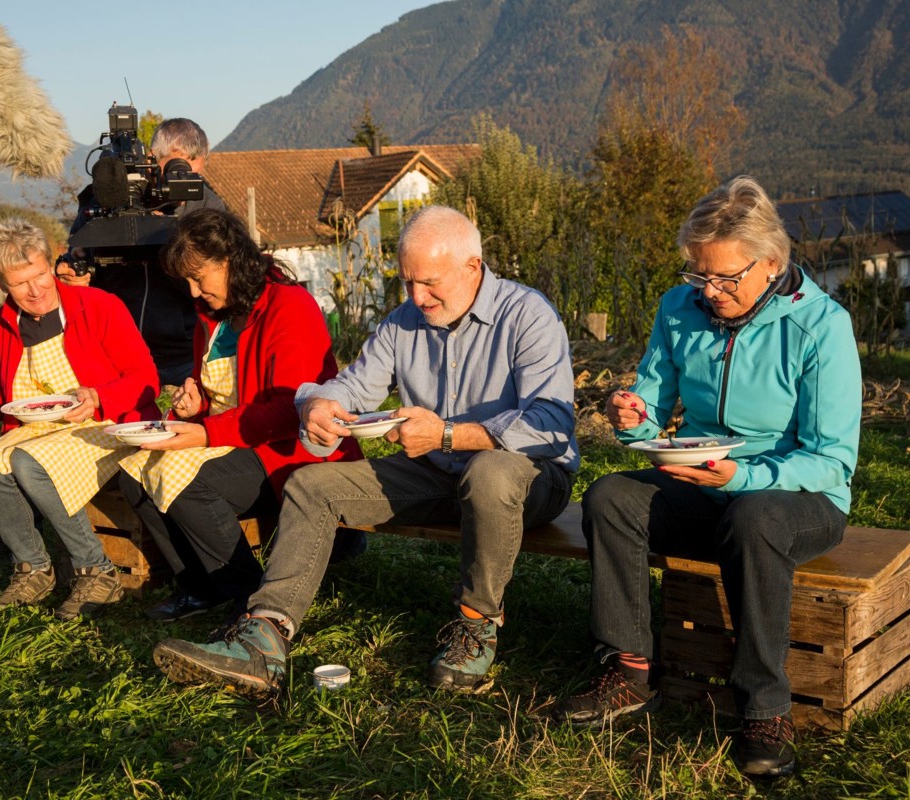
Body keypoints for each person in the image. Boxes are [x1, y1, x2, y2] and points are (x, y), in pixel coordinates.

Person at [150, 205, 579, 696]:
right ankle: (264, 636)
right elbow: (351, 387)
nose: (417, 297)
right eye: (408, 282)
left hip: (530, 480)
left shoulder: (528, 315)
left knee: (490, 473)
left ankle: (476, 623)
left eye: (430, 282)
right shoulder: (403, 322)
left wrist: (447, 435)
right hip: (437, 473)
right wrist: (318, 404)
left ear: (472, 267)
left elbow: (552, 425)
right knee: (311, 484)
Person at [556, 176, 860, 779]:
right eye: (699, 275)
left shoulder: (822, 326)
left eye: (726, 278)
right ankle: (629, 672)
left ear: (771, 264)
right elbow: (650, 410)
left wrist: (740, 478)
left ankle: (763, 710)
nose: (709, 291)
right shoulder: (678, 307)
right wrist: (632, 416)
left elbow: (831, 460)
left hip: (798, 498)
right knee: (611, 497)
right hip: (706, 481)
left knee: (755, 517)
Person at [115, 208, 362, 621]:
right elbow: (224, 394)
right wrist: (198, 404)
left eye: (199, 278)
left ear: (229, 260)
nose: (194, 293)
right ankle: (198, 585)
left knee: (194, 484)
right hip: (235, 439)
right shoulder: (211, 317)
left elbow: (290, 410)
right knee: (133, 474)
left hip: (287, 450)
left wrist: (205, 432)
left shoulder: (290, 306)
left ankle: (247, 592)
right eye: (187, 282)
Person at [0, 218, 160, 620]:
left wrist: (98, 396)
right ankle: (33, 567)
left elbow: (146, 377)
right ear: (1, 285)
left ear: (49, 263)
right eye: (20, 283)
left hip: (103, 424)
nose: (36, 289)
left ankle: (97, 571)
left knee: (30, 462)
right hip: (37, 432)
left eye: (41, 275)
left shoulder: (99, 306)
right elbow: (6, 403)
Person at [57, 118, 227, 388]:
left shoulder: (208, 207)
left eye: (193, 175)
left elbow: (217, 280)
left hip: (185, 352)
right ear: (151, 158)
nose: (183, 182)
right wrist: (74, 272)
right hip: (119, 350)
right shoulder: (107, 197)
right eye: (175, 169)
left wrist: (168, 235)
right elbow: (80, 254)